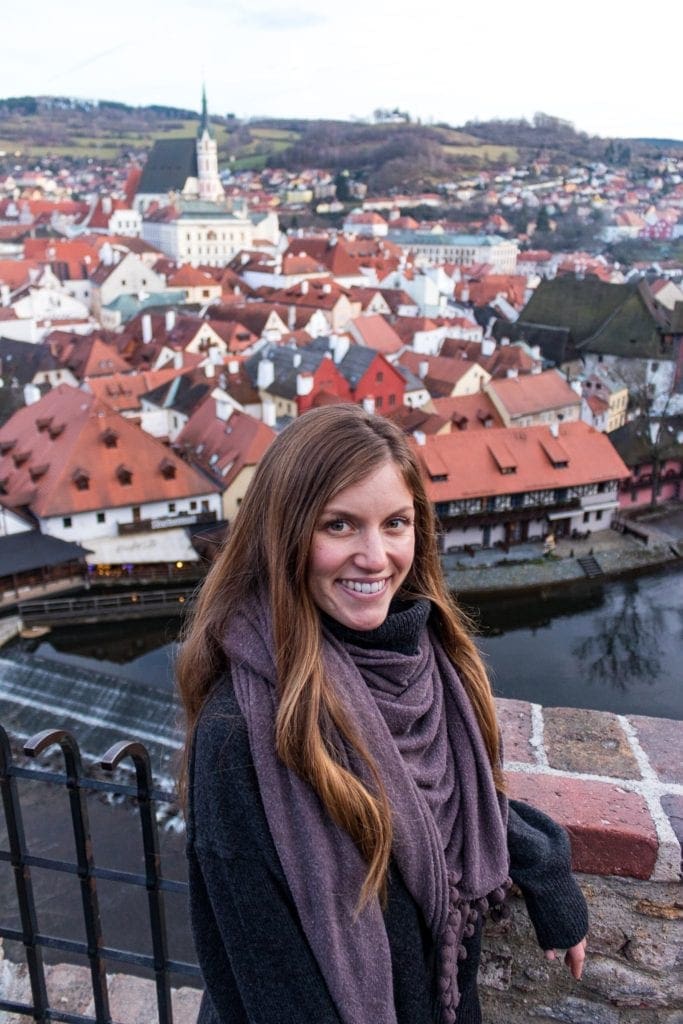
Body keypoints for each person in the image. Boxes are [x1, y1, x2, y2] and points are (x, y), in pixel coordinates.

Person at [178, 404, 588, 1024]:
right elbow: (274, 986)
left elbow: (448, 810)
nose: (375, 556)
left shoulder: (434, 667)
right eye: (339, 526)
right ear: (283, 536)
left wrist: (544, 865)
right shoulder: (240, 731)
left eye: (395, 523)